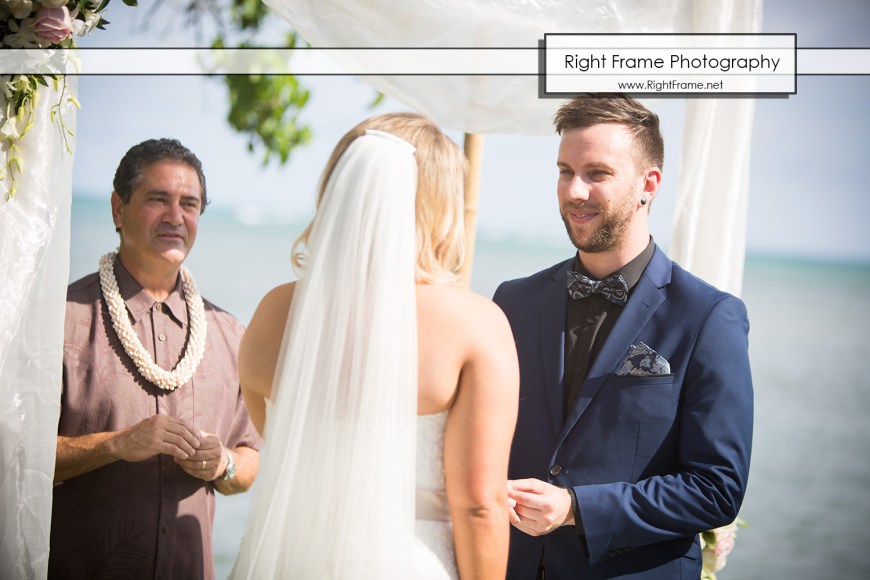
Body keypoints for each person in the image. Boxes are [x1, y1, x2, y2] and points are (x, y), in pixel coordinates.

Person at [231, 113, 519, 579]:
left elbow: (283, 445)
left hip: (283, 559)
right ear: (441, 206)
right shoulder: (476, 325)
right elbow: (479, 505)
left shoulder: (272, 311)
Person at [493, 94, 753, 579]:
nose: (574, 191)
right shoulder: (512, 301)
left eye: (597, 173)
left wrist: (574, 508)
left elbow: (716, 489)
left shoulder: (708, 316)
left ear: (647, 185)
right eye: (565, 171)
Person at [50, 138, 261, 579]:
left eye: (189, 204)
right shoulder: (59, 321)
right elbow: (16, 457)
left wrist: (222, 463)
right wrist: (116, 444)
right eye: (158, 199)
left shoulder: (229, 334)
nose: (175, 217)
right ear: (118, 209)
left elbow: (249, 461)